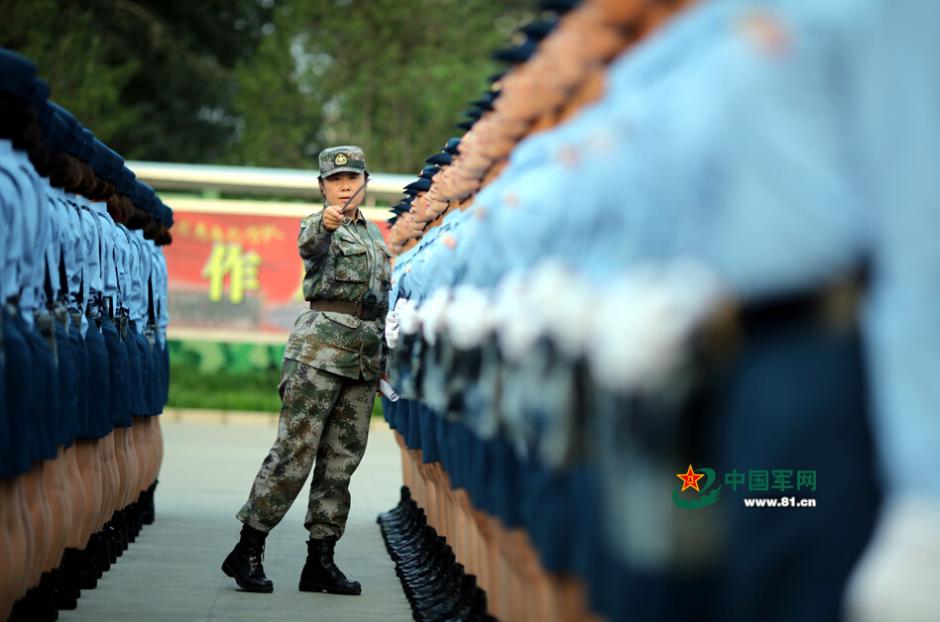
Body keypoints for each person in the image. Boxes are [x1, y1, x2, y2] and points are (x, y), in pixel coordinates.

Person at [223, 145, 392, 596]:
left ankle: (320, 560)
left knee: (341, 462)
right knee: (295, 453)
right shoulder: (320, 225)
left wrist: (383, 361)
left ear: (364, 182)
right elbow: (310, 243)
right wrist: (325, 221)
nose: (343, 187)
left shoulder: (376, 238)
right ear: (321, 187)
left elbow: (380, 305)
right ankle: (248, 546)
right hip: (317, 355)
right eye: (334, 181)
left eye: (351, 179)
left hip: (361, 360)